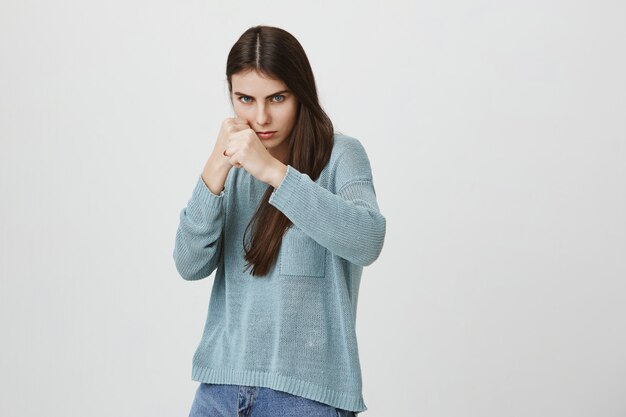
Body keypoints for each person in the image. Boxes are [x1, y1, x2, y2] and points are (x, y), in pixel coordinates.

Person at [173, 25, 386, 417]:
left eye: (277, 97)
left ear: (299, 93)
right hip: (219, 390)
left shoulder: (341, 156)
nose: (261, 116)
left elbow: (368, 238)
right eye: (244, 99)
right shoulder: (232, 166)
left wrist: (274, 172)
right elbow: (189, 264)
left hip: (306, 397)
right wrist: (215, 166)